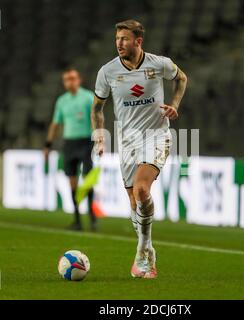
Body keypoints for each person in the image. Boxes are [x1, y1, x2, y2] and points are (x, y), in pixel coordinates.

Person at [91, 20, 188, 278]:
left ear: (138, 41)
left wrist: (175, 104)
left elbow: (181, 78)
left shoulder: (159, 64)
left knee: (142, 189)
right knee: (135, 204)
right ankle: (149, 250)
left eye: (124, 39)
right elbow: (97, 108)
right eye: (117, 39)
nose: (119, 43)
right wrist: (99, 135)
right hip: (127, 142)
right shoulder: (108, 71)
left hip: (156, 136)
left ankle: (143, 249)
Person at [44, 67, 97, 231]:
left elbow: (96, 117)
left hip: (86, 141)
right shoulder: (62, 101)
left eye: (73, 78)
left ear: (79, 80)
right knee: (72, 182)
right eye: (67, 79)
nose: (70, 82)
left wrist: (98, 137)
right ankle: (77, 219)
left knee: (87, 179)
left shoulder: (88, 97)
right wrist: (48, 144)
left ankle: (92, 216)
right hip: (69, 143)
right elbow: (55, 123)